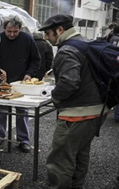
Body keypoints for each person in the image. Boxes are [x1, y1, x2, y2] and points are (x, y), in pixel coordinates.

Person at [38, 14, 106, 189]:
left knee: (60, 159)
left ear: (60, 30)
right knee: (80, 154)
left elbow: (69, 82)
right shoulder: (85, 43)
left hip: (76, 114)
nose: (46, 37)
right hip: (98, 110)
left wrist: (55, 97)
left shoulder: (67, 49)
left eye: (48, 33)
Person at [0, 16, 41, 153]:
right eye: (9, 31)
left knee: (22, 111)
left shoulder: (27, 39)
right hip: (2, 82)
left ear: (20, 29)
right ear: (4, 29)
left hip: (21, 82)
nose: (12, 34)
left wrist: (29, 73)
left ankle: (23, 140)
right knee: (1, 109)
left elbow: (35, 59)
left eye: (15, 31)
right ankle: (0, 135)